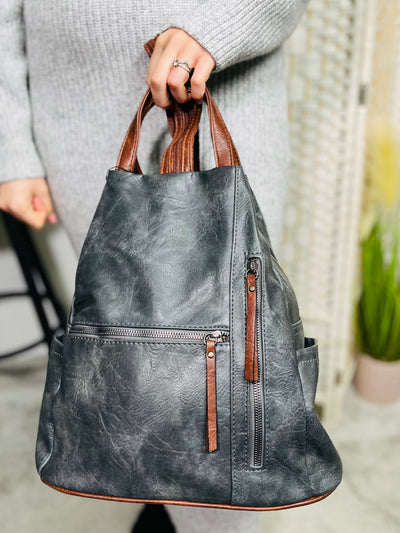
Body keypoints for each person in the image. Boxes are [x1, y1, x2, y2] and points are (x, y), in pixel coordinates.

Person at [0, 1, 309, 532]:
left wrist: (218, 27)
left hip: (226, 88)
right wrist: (11, 147)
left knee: (231, 373)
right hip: (75, 110)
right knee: (128, 359)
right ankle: (163, 495)